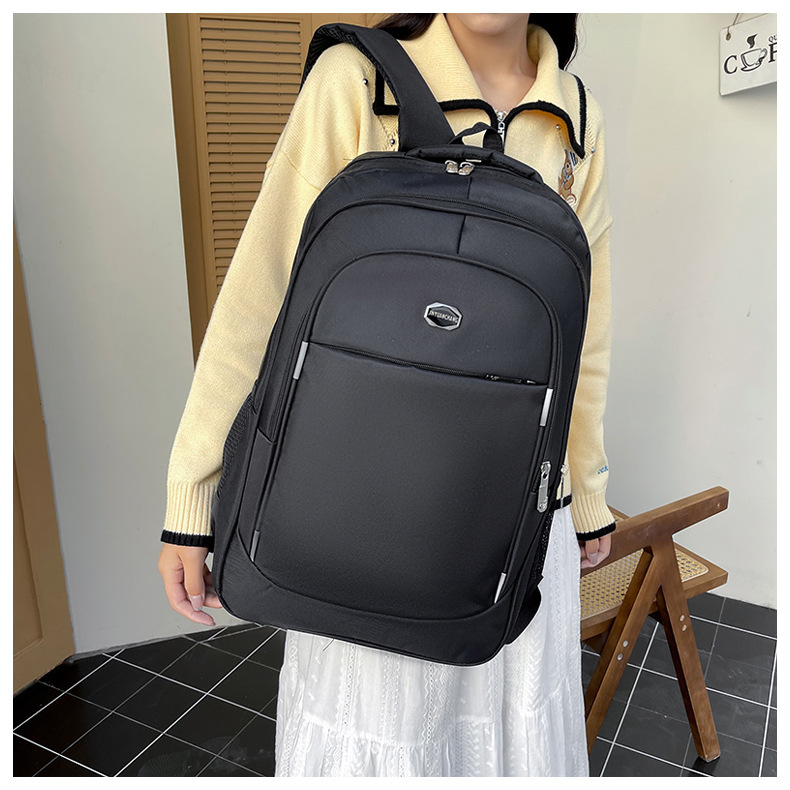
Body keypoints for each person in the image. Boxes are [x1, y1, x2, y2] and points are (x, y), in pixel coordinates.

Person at [158, 12, 615, 776]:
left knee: (510, 741)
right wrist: (193, 494)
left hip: (514, 519)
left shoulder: (579, 116)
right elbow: (260, 296)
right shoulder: (359, 80)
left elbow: (585, 335)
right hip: (360, 514)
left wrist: (588, 491)